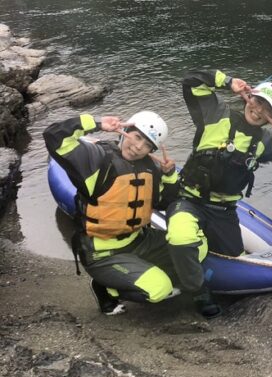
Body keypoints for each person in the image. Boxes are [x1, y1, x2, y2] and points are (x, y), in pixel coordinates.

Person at [166, 69, 272, 317]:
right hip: (189, 199)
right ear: (248, 98)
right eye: (257, 100)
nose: (258, 109)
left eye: (267, 107)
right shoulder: (215, 114)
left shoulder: (265, 140)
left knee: (236, 260)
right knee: (180, 236)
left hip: (225, 211)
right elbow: (190, 82)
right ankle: (198, 292)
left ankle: (205, 252)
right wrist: (228, 82)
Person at [44, 110, 201, 315]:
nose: (138, 147)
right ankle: (106, 288)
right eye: (136, 137)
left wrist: (170, 176)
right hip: (101, 252)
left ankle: (139, 271)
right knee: (160, 290)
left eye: (147, 145)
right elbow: (53, 136)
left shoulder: (150, 168)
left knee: (198, 245)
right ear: (125, 131)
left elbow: (163, 203)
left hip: (139, 241)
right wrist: (98, 123)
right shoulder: (96, 160)